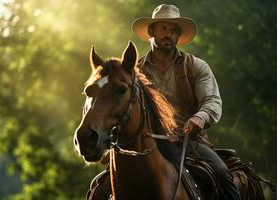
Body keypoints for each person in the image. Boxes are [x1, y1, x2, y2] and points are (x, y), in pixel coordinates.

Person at [87, 4, 241, 200]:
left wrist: (199, 118)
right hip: (143, 144)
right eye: (163, 28)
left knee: (221, 173)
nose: (169, 34)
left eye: (173, 30)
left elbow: (212, 100)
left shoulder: (196, 66)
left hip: (189, 142)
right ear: (151, 32)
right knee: (98, 190)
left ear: (178, 36)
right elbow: (119, 107)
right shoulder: (134, 72)